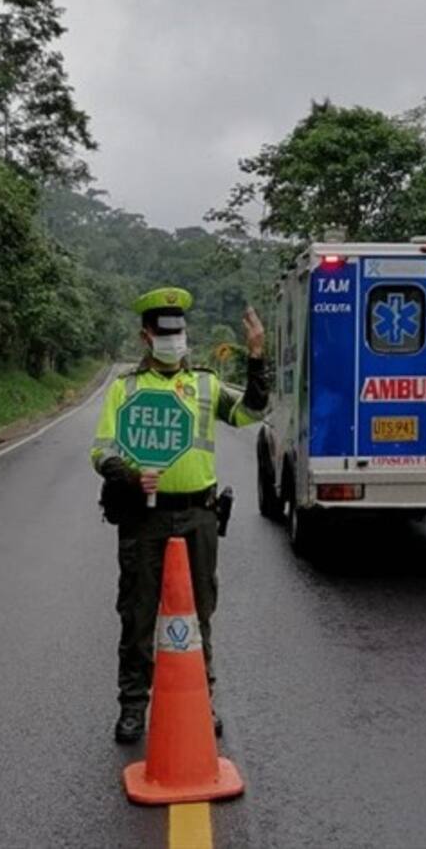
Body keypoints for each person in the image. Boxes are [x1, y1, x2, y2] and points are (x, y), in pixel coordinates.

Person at [90, 287, 268, 744]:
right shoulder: (125, 389)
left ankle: (200, 702)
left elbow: (251, 414)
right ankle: (133, 707)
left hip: (198, 516)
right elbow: (101, 451)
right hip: (143, 519)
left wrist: (256, 356)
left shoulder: (206, 384)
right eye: (165, 332)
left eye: (181, 332)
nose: (175, 340)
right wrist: (129, 475)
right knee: (137, 613)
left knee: (198, 613)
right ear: (146, 335)